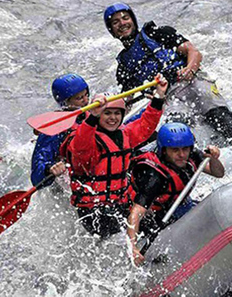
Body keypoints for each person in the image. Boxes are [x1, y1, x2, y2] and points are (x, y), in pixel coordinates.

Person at [103, 2, 232, 145]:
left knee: (219, 116)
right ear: (112, 30)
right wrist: (107, 115)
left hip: (193, 82)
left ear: (133, 20)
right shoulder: (124, 66)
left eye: (125, 18)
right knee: (177, 130)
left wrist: (189, 69)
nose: (122, 23)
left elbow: (193, 52)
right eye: (115, 22)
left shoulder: (158, 33)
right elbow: (126, 101)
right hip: (170, 98)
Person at [60, 74, 168, 239]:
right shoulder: (87, 138)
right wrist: (93, 117)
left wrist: (159, 97)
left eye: (117, 113)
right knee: (121, 237)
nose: (113, 118)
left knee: (153, 227)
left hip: (119, 203)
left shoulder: (125, 134)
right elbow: (81, 149)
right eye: (107, 113)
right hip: (92, 211)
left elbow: (145, 125)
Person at [126, 122, 225, 265]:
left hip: (178, 205)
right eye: (175, 150)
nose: (181, 154)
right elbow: (136, 212)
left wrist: (214, 159)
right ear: (164, 151)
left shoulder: (193, 155)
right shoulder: (153, 176)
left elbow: (218, 173)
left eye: (185, 149)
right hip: (154, 216)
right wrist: (132, 247)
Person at [30, 73, 90, 186]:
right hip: (64, 181)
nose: (85, 101)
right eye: (79, 98)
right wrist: (49, 169)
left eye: (86, 95)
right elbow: (36, 175)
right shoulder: (55, 129)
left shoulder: (94, 115)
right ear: (65, 102)